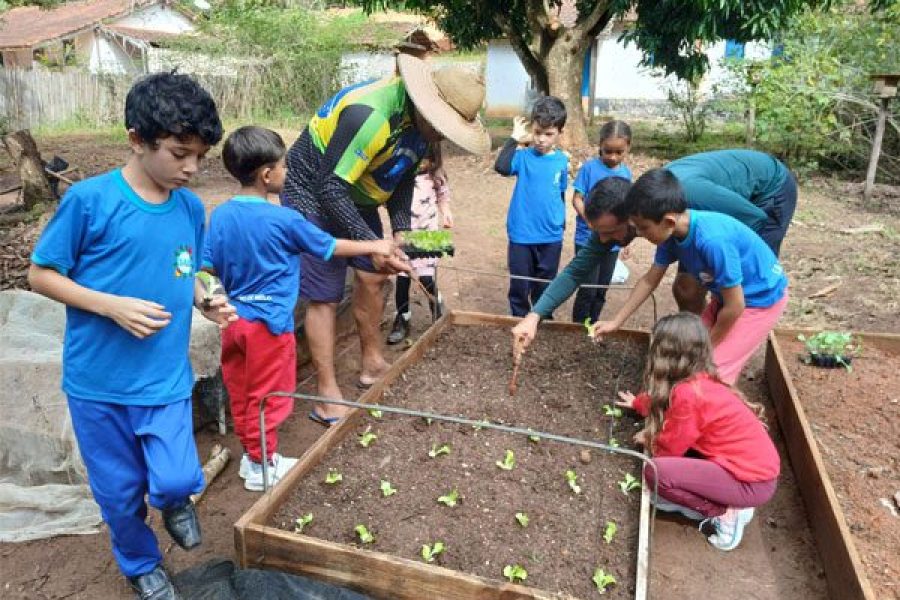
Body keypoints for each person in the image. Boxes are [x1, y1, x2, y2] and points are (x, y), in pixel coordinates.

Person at [27, 72, 236, 600]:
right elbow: (41, 274)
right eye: (179, 153)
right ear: (137, 139)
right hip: (98, 382)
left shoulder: (189, 206)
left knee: (173, 477)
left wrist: (206, 296)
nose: (191, 168)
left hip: (163, 376)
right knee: (118, 495)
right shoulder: (91, 202)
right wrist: (110, 305)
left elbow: (188, 268)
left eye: (200, 157)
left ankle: (173, 501)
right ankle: (141, 563)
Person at [280, 53, 490, 422]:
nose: (442, 135)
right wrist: (371, 242)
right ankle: (326, 393)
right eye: (443, 126)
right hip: (313, 190)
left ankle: (372, 362)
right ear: (427, 107)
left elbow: (403, 175)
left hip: (352, 190)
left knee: (375, 275)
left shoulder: (421, 128)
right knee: (325, 294)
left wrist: (399, 233)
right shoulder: (371, 115)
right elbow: (330, 186)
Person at [202, 127, 399, 488]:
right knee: (270, 397)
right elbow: (328, 246)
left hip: (233, 323)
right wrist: (374, 245)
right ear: (266, 175)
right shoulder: (284, 220)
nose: (287, 173)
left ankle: (252, 457)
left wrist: (217, 295)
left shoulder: (221, 216)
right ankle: (263, 468)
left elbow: (207, 266)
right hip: (269, 327)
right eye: (284, 167)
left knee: (243, 392)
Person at [593, 168, 790, 385]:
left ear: (668, 221)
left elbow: (736, 307)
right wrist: (616, 321)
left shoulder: (713, 241)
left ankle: (718, 411)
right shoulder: (670, 236)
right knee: (686, 354)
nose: (639, 233)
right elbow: (650, 279)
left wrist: (708, 348)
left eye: (643, 228)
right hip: (724, 299)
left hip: (759, 302)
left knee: (712, 372)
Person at [615, 312, 780, 551]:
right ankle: (728, 499)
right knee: (667, 473)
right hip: (753, 472)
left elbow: (670, 448)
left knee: (656, 473)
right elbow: (665, 402)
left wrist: (650, 438)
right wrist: (639, 404)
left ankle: (723, 513)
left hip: (750, 482)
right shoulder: (698, 380)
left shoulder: (689, 394)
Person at [664, 149, 797, 313]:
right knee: (686, 288)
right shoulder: (657, 205)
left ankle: (745, 329)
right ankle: (699, 333)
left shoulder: (690, 195)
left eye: (642, 228)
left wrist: (724, 275)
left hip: (768, 191)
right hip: (715, 210)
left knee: (744, 290)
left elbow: (754, 218)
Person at [511, 176, 634, 350]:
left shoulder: (664, 213)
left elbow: (655, 274)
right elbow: (573, 273)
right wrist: (533, 316)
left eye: (610, 231)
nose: (603, 239)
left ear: (632, 218)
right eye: (599, 232)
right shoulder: (604, 233)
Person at [494, 96, 569, 317]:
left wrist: (560, 221)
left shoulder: (561, 161)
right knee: (520, 284)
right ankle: (519, 318)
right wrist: (514, 139)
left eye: (548, 134)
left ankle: (541, 317)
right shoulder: (523, 157)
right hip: (522, 234)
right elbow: (501, 166)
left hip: (551, 235)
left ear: (559, 133)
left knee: (545, 283)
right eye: (537, 132)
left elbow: (560, 193)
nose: (541, 139)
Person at [387, 147, 452, 344]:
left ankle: (436, 304)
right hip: (404, 235)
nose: (422, 163)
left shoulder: (435, 176)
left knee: (426, 278)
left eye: (427, 159)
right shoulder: (400, 176)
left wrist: (446, 211)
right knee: (403, 280)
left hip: (429, 236)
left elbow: (443, 195)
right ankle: (402, 318)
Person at [570, 120, 632, 323]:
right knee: (587, 289)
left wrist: (627, 240)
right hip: (587, 238)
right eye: (608, 151)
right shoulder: (589, 169)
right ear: (600, 146)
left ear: (627, 148)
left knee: (600, 291)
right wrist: (589, 221)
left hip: (612, 243)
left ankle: (593, 326)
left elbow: (627, 211)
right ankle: (577, 328)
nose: (613, 157)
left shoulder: (626, 174)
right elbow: (577, 198)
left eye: (619, 152)